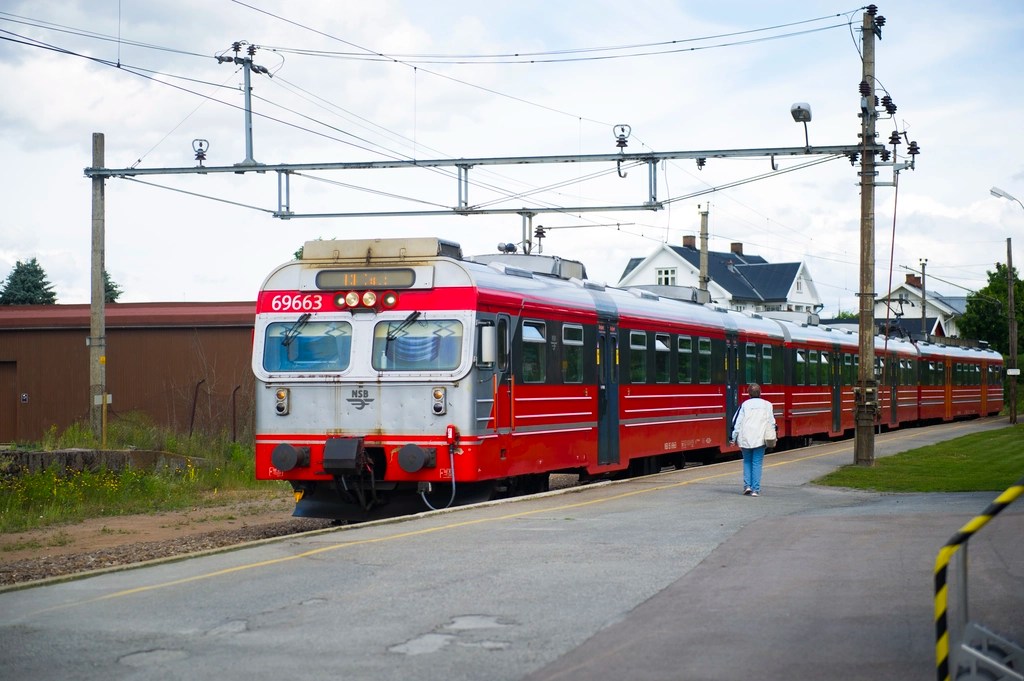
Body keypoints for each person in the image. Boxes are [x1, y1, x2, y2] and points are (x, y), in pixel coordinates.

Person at [729, 383, 777, 497]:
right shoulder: (767, 405)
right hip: (760, 438)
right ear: (760, 392)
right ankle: (755, 489)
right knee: (757, 463)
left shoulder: (744, 405)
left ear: (748, 393)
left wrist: (733, 438)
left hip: (745, 438)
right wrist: (774, 435)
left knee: (747, 462)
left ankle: (747, 486)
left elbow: (737, 422)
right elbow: (772, 422)